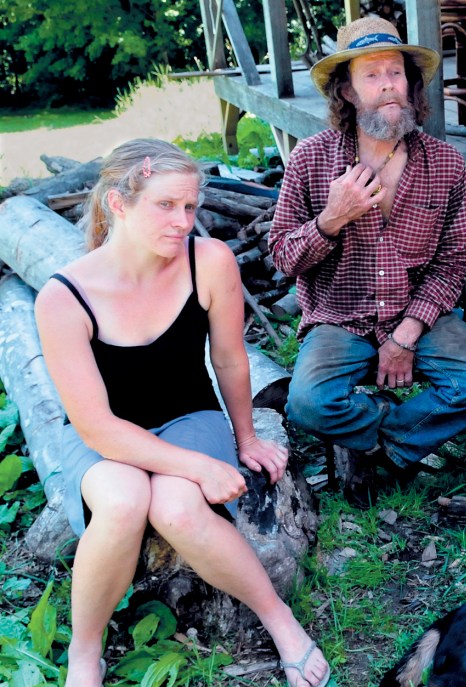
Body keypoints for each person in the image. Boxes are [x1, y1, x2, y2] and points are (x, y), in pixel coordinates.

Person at [35, 139, 330, 687]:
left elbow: (230, 360)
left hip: (188, 416)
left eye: (191, 207)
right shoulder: (64, 297)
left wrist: (245, 438)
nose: (183, 221)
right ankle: (84, 651)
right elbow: (97, 425)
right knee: (123, 503)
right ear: (118, 205)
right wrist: (197, 468)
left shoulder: (209, 261)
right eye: (166, 206)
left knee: (176, 508)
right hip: (104, 438)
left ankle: (280, 620)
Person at [270, 17, 466, 492]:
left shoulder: (446, 163)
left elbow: (453, 261)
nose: (387, 86)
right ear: (349, 93)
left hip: (420, 313)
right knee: (308, 403)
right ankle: (396, 434)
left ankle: (388, 446)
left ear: (411, 85)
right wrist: (331, 219)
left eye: (395, 73)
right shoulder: (310, 159)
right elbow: (281, 256)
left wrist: (406, 334)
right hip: (340, 317)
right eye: (371, 75)